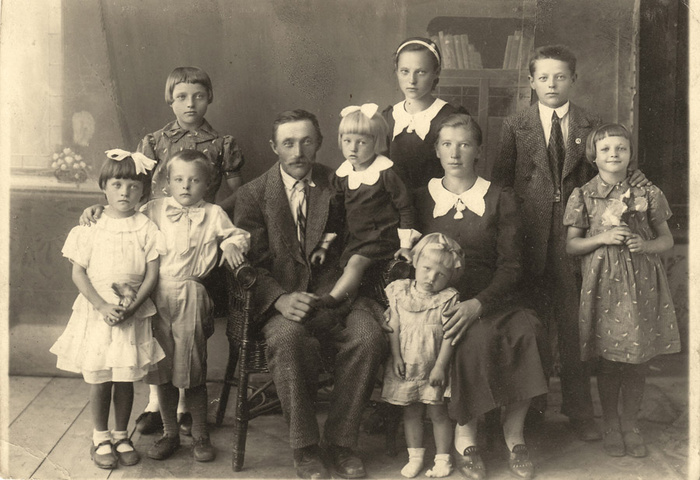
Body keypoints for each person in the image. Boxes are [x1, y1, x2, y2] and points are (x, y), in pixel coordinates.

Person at [491, 45, 649, 441]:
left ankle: (579, 411)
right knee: (531, 324)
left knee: (575, 324)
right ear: (531, 82)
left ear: (573, 80)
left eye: (560, 77)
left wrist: (634, 179)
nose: (552, 84)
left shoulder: (590, 123)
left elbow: (611, 168)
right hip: (529, 238)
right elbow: (502, 184)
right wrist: (508, 235)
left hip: (577, 237)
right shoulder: (516, 124)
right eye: (543, 77)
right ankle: (530, 411)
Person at [81, 66, 246, 436]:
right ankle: (156, 404)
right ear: (170, 100)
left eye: (199, 96)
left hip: (196, 246)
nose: (191, 104)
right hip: (155, 239)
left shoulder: (223, 144)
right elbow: (131, 190)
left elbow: (241, 194)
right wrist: (102, 208)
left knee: (188, 340)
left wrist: (206, 214)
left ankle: (186, 407)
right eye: (182, 96)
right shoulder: (154, 141)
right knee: (155, 336)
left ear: (210, 98)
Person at [234, 109, 387, 479]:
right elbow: (247, 263)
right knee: (288, 339)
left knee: (367, 336)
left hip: (337, 296)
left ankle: (340, 442)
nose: (298, 151)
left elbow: (359, 240)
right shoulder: (254, 194)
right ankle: (304, 448)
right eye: (288, 143)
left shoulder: (341, 183)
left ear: (319, 143)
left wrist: (339, 291)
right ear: (274, 147)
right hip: (282, 303)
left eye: (306, 141)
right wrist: (279, 299)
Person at [414, 114, 548, 479]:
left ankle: (514, 434)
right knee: (469, 339)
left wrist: (480, 304)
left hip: (493, 297)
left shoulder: (500, 197)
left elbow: (512, 265)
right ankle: (466, 434)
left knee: (529, 332)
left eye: (464, 144)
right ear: (436, 149)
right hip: (441, 302)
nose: (455, 153)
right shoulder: (422, 198)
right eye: (447, 144)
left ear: (478, 150)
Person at [564, 124, 680, 458]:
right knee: (609, 361)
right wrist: (602, 237)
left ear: (630, 154)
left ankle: (631, 425)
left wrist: (645, 245)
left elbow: (667, 240)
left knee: (637, 360)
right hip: (604, 288)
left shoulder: (649, 192)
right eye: (605, 149)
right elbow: (571, 245)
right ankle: (612, 425)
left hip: (642, 286)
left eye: (621, 148)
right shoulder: (584, 194)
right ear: (593, 156)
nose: (613, 154)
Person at [50, 152, 165, 470]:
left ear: (143, 191)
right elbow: (78, 273)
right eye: (117, 184)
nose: (125, 192)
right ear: (104, 186)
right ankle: (100, 436)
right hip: (98, 313)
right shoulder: (91, 225)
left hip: (131, 312)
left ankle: (121, 435)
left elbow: (152, 274)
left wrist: (133, 307)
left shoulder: (146, 227)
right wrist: (102, 306)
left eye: (133, 186)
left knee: (125, 378)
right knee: (101, 377)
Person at [139, 149, 250, 462]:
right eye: (178, 179)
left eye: (194, 180)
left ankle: (201, 434)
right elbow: (124, 221)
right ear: (167, 182)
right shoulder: (154, 209)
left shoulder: (213, 213)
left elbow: (237, 235)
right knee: (161, 367)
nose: (185, 186)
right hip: (157, 293)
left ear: (208, 184)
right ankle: (170, 433)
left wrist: (230, 244)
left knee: (193, 366)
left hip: (192, 292)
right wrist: (97, 210)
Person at [312, 103, 419, 309]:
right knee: (342, 264)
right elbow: (335, 213)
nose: (353, 148)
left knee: (356, 263)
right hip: (355, 237)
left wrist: (405, 245)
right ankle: (346, 304)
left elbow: (405, 207)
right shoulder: (342, 175)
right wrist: (324, 245)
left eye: (361, 142)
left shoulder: (386, 173)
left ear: (376, 142)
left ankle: (331, 300)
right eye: (347, 141)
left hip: (381, 236)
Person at [381, 233, 463, 479]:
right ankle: (415, 457)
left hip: (433, 366)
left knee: (438, 413)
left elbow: (449, 335)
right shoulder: (400, 291)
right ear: (415, 262)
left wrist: (440, 366)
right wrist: (396, 356)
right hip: (407, 364)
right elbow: (393, 326)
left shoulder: (447, 298)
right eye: (427, 269)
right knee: (411, 412)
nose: (431, 278)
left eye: (441, 275)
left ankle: (443, 459)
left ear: (450, 277)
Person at [382, 37, 467, 191]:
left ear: (436, 72)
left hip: (437, 201)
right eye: (405, 71)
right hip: (395, 203)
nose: (412, 80)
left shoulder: (450, 117)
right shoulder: (389, 117)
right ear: (397, 71)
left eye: (421, 72)